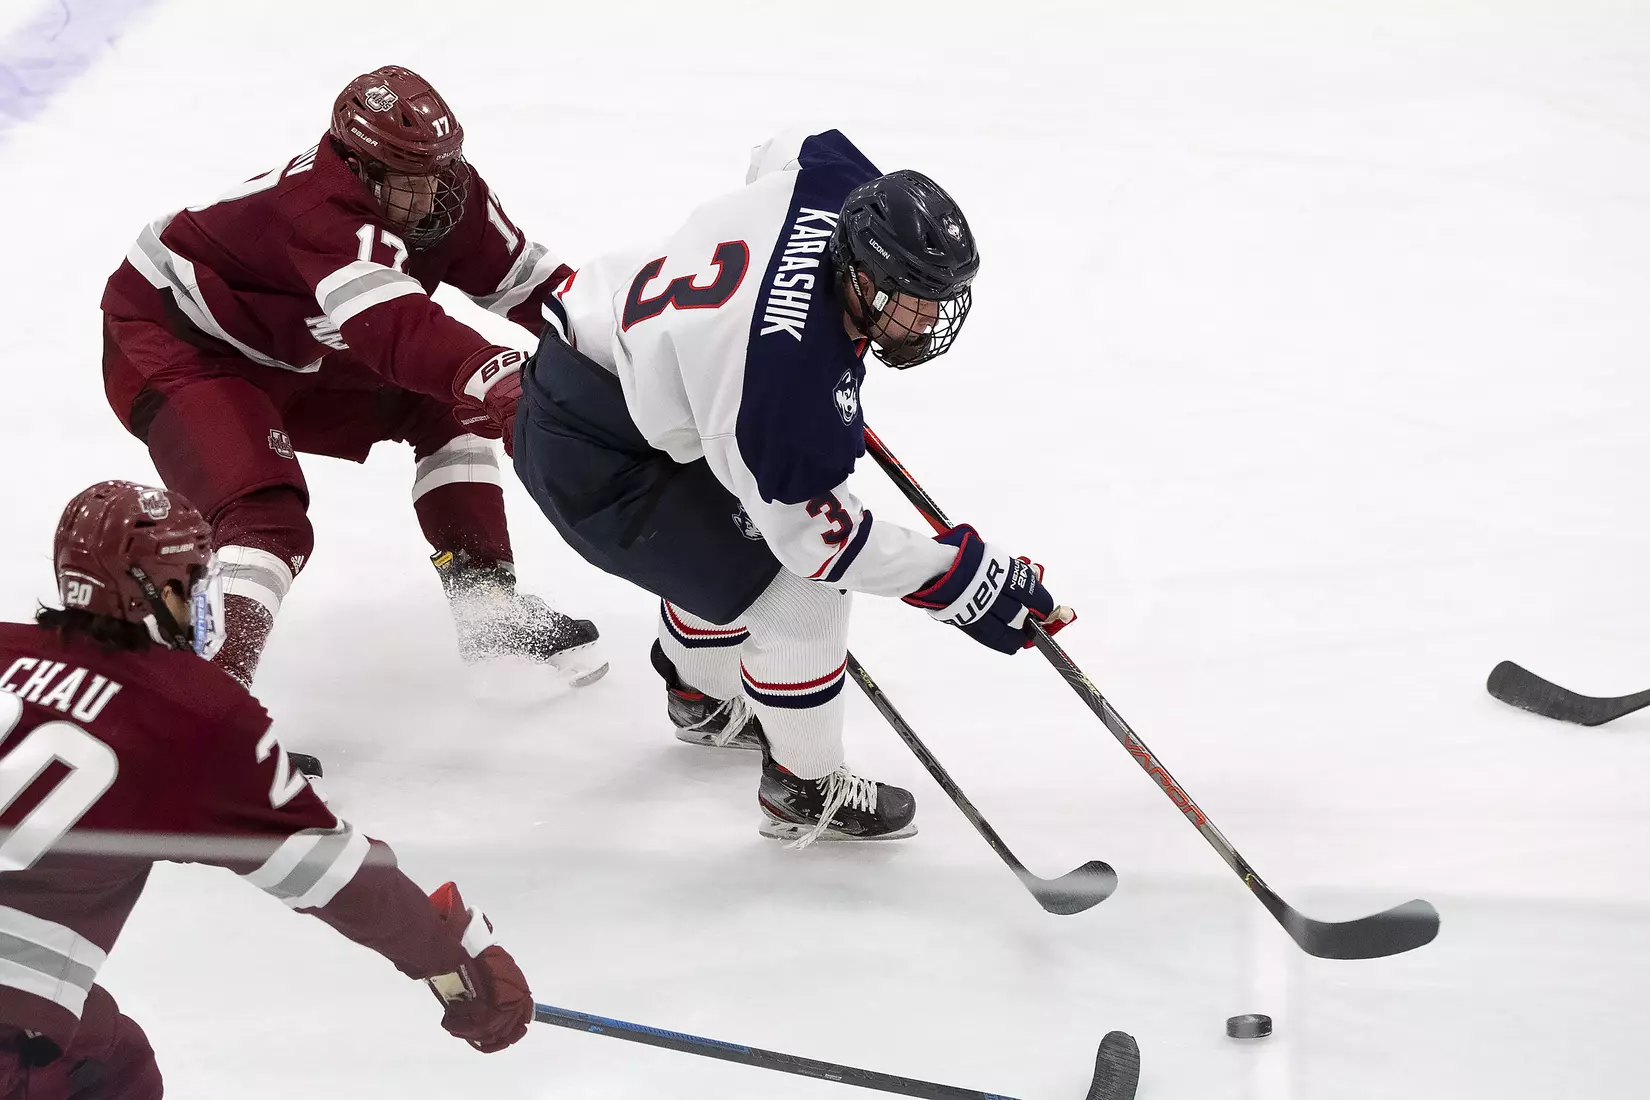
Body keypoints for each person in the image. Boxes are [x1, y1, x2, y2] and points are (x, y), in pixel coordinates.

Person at [509, 129, 1075, 847]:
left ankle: (702, 699)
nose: (929, 321)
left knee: (729, 535)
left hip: (622, 381)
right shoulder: (781, 390)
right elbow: (823, 548)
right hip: (592, 460)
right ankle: (804, 788)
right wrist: (964, 577)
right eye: (912, 302)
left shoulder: (837, 187)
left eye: (939, 300)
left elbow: (784, 147)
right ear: (863, 277)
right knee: (796, 591)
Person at [0, 480, 536, 1097]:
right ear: (154, 591)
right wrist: (457, 963)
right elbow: (335, 874)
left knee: (114, 1057)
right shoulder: (191, 714)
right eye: (192, 583)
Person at [99, 64, 604, 691]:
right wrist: (494, 375)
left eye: (439, 169)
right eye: (405, 177)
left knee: (450, 408)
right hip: (177, 342)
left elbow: (537, 286)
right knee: (264, 520)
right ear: (358, 166)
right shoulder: (319, 212)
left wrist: (627, 339)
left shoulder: (452, 193)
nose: (429, 195)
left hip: (294, 342)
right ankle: (209, 715)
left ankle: (488, 609)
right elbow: (394, 328)